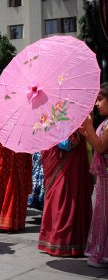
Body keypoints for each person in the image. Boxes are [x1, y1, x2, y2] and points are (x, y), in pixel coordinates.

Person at [37, 132, 94, 257]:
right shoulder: (60, 116)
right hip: (61, 160)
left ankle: (58, 240)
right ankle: (61, 242)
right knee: (62, 198)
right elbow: (68, 144)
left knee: (61, 198)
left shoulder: (48, 116)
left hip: (63, 161)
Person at [0, 109, 32, 232]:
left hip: (17, 149)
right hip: (1, 150)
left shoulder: (26, 108)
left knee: (16, 181)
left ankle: (11, 221)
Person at [79, 82, 108, 268]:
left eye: (100, 99)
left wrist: (89, 127)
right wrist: (87, 132)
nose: (96, 104)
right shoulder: (105, 123)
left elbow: (101, 147)